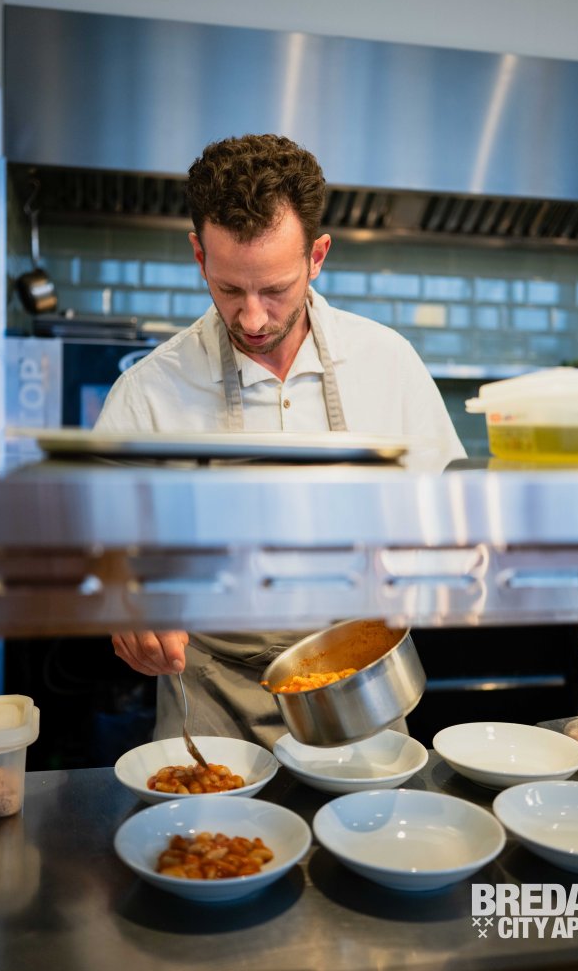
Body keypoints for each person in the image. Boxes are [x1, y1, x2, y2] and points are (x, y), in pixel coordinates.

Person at [95, 133, 465, 748]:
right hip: (210, 699)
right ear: (199, 256)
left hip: (358, 685)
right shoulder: (148, 391)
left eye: (274, 289)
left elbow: (448, 520)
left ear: (317, 256)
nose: (252, 318)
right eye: (229, 289)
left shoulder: (388, 363)